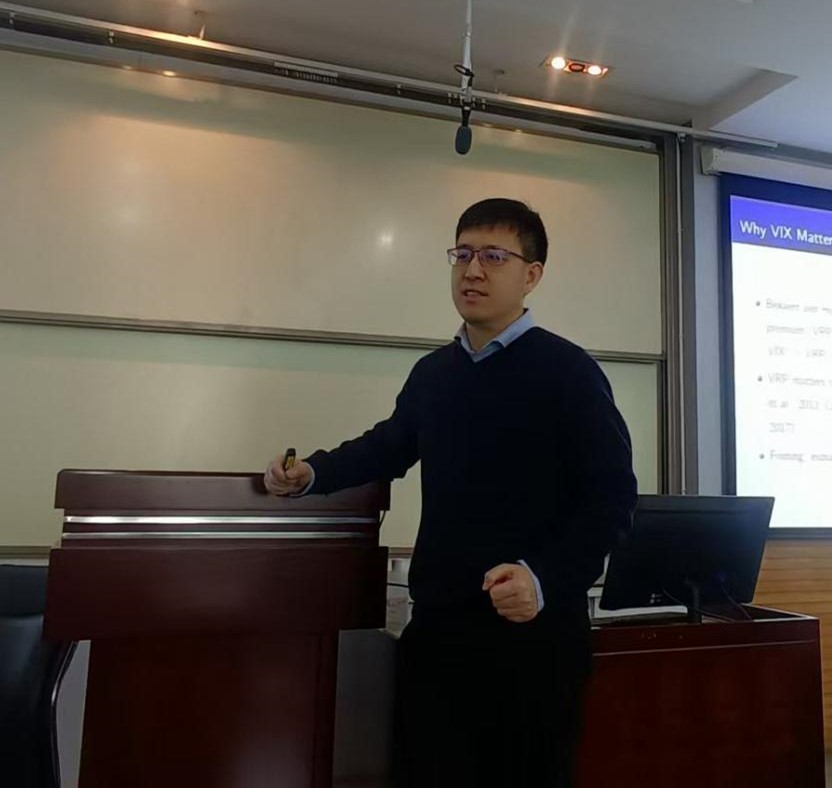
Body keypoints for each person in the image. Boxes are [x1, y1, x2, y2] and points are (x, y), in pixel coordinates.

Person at [264, 198, 637, 787]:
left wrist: (543, 578)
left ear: (532, 274)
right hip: (438, 635)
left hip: (531, 641)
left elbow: (612, 498)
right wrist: (313, 473)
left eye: (494, 256)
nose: (472, 271)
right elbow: (388, 446)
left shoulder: (569, 372)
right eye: (462, 255)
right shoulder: (434, 374)